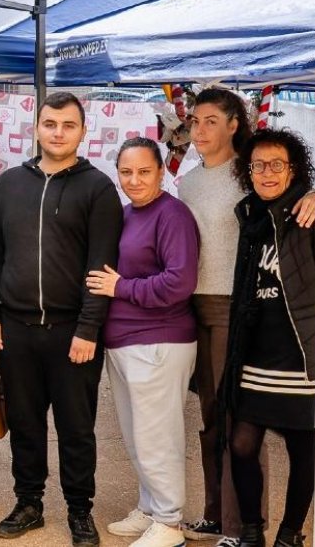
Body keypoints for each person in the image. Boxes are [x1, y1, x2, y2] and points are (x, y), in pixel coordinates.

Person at [0, 91, 123, 547]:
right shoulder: (9, 184)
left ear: (83, 131)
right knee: (25, 423)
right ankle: (29, 503)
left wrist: (88, 328)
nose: (58, 133)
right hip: (15, 329)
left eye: (68, 125)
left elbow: (102, 266)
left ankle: (80, 510)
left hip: (72, 332)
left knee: (76, 428)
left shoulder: (98, 188)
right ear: (37, 128)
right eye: (50, 124)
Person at [179, 88, 315, 547]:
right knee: (210, 418)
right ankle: (215, 514)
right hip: (194, 306)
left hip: (235, 307)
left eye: (210, 121)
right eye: (194, 121)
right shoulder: (188, 181)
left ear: (233, 124)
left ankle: (242, 525)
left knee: (239, 422)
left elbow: (293, 196)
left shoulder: (250, 173)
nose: (199, 130)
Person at [222, 129, 315, 547]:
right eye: (258, 165)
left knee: (304, 454)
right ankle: (251, 532)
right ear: (248, 172)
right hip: (255, 357)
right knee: (241, 444)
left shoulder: (313, 217)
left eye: (277, 164)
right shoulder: (250, 216)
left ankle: (289, 534)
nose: (267, 173)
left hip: (302, 357)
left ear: (293, 169)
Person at [86, 137, 199, 547]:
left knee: (156, 437)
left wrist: (122, 288)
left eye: (144, 171)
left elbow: (179, 282)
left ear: (161, 172)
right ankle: (151, 508)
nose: (134, 180)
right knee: (137, 436)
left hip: (158, 341)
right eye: (126, 172)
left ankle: (169, 523)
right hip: (124, 341)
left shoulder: (173, 215)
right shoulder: (128, 213)